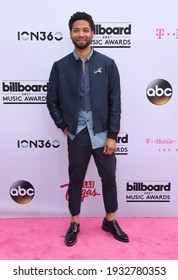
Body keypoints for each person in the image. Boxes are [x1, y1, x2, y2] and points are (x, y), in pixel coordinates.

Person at [47, 11, 129, 246]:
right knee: (76, 179)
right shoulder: (60, 66)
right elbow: (51, 100)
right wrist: (63, 124)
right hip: (77, 132)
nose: (81, 34)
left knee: (109, 177)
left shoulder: (107, 64)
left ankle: (110, 219)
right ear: (71, 34)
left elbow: (115, 102)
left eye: (85, 30)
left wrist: (112, 135)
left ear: (92, 33)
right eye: (76, 30)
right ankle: (74, 221)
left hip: (103, 133)